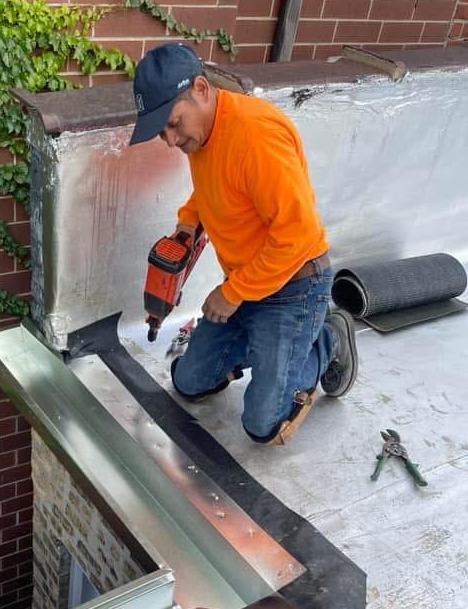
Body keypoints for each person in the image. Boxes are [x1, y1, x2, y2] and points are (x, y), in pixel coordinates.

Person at [129, 43, 358, 445]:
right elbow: (212, 190)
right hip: (248, 283)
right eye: (163, 130)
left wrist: (233, 293)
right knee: (188, 381)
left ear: (201, 88)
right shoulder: (200, 133)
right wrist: (186, 225)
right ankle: (270, 349)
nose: (169, 139)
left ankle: (326, 339)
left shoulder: (256, 138)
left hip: (294, 287)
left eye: (173, 124)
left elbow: (297, 235)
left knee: (263, 425)